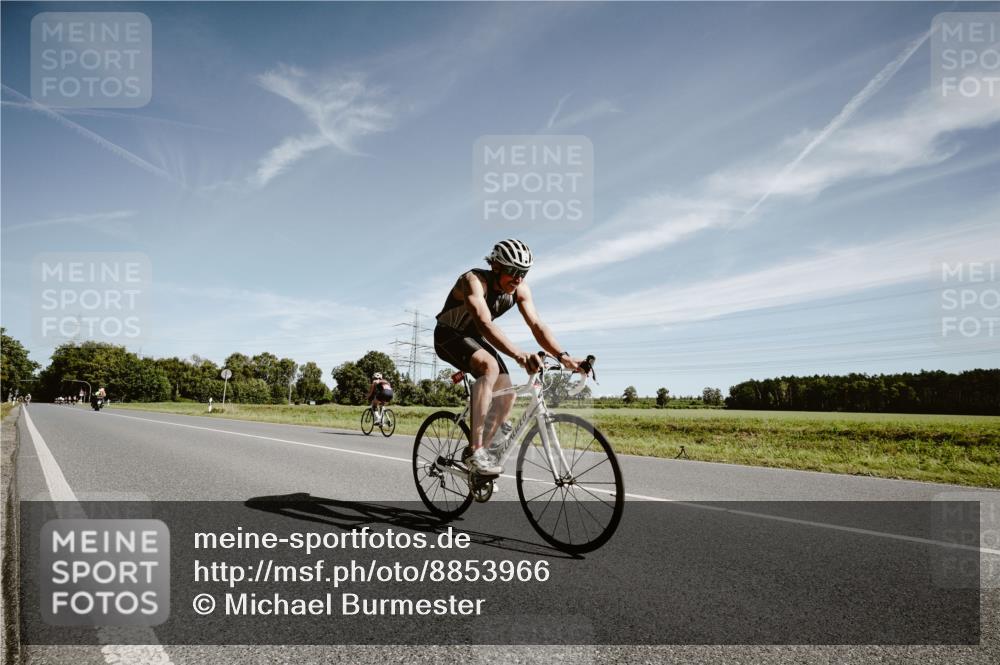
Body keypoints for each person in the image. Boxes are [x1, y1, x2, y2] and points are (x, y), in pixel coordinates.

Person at [434, 239, 583, 475]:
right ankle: (475, 452)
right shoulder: (473, 281)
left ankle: (483, 450)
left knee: (508, 395)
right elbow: (483, 323)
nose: (518, 279)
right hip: (448, 335)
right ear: (496, 267)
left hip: (474, 338)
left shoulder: (520, 290)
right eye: (513, 271)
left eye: (523, 273)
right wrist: (518, 354)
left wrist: (563, 356)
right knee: (488, 366)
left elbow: (536, 325)